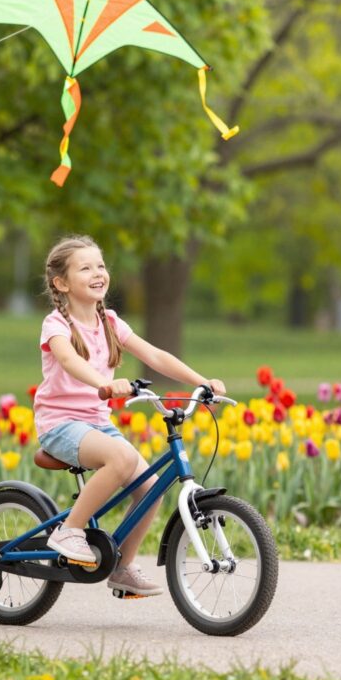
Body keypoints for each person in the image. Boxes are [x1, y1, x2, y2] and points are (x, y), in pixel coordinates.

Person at [33, 235, 225, 598]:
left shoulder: (110, 322)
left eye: (100, 265)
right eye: (85, 268)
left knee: (150, 488)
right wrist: (103, 383)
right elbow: (69, 360)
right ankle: (69, 530)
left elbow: (155, 356)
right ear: (62, 283)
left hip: (97, 423)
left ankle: (122, 567)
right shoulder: (56, 324)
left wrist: (202, 382)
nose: (97, 273)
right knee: (121, 458)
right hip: (60, 424)